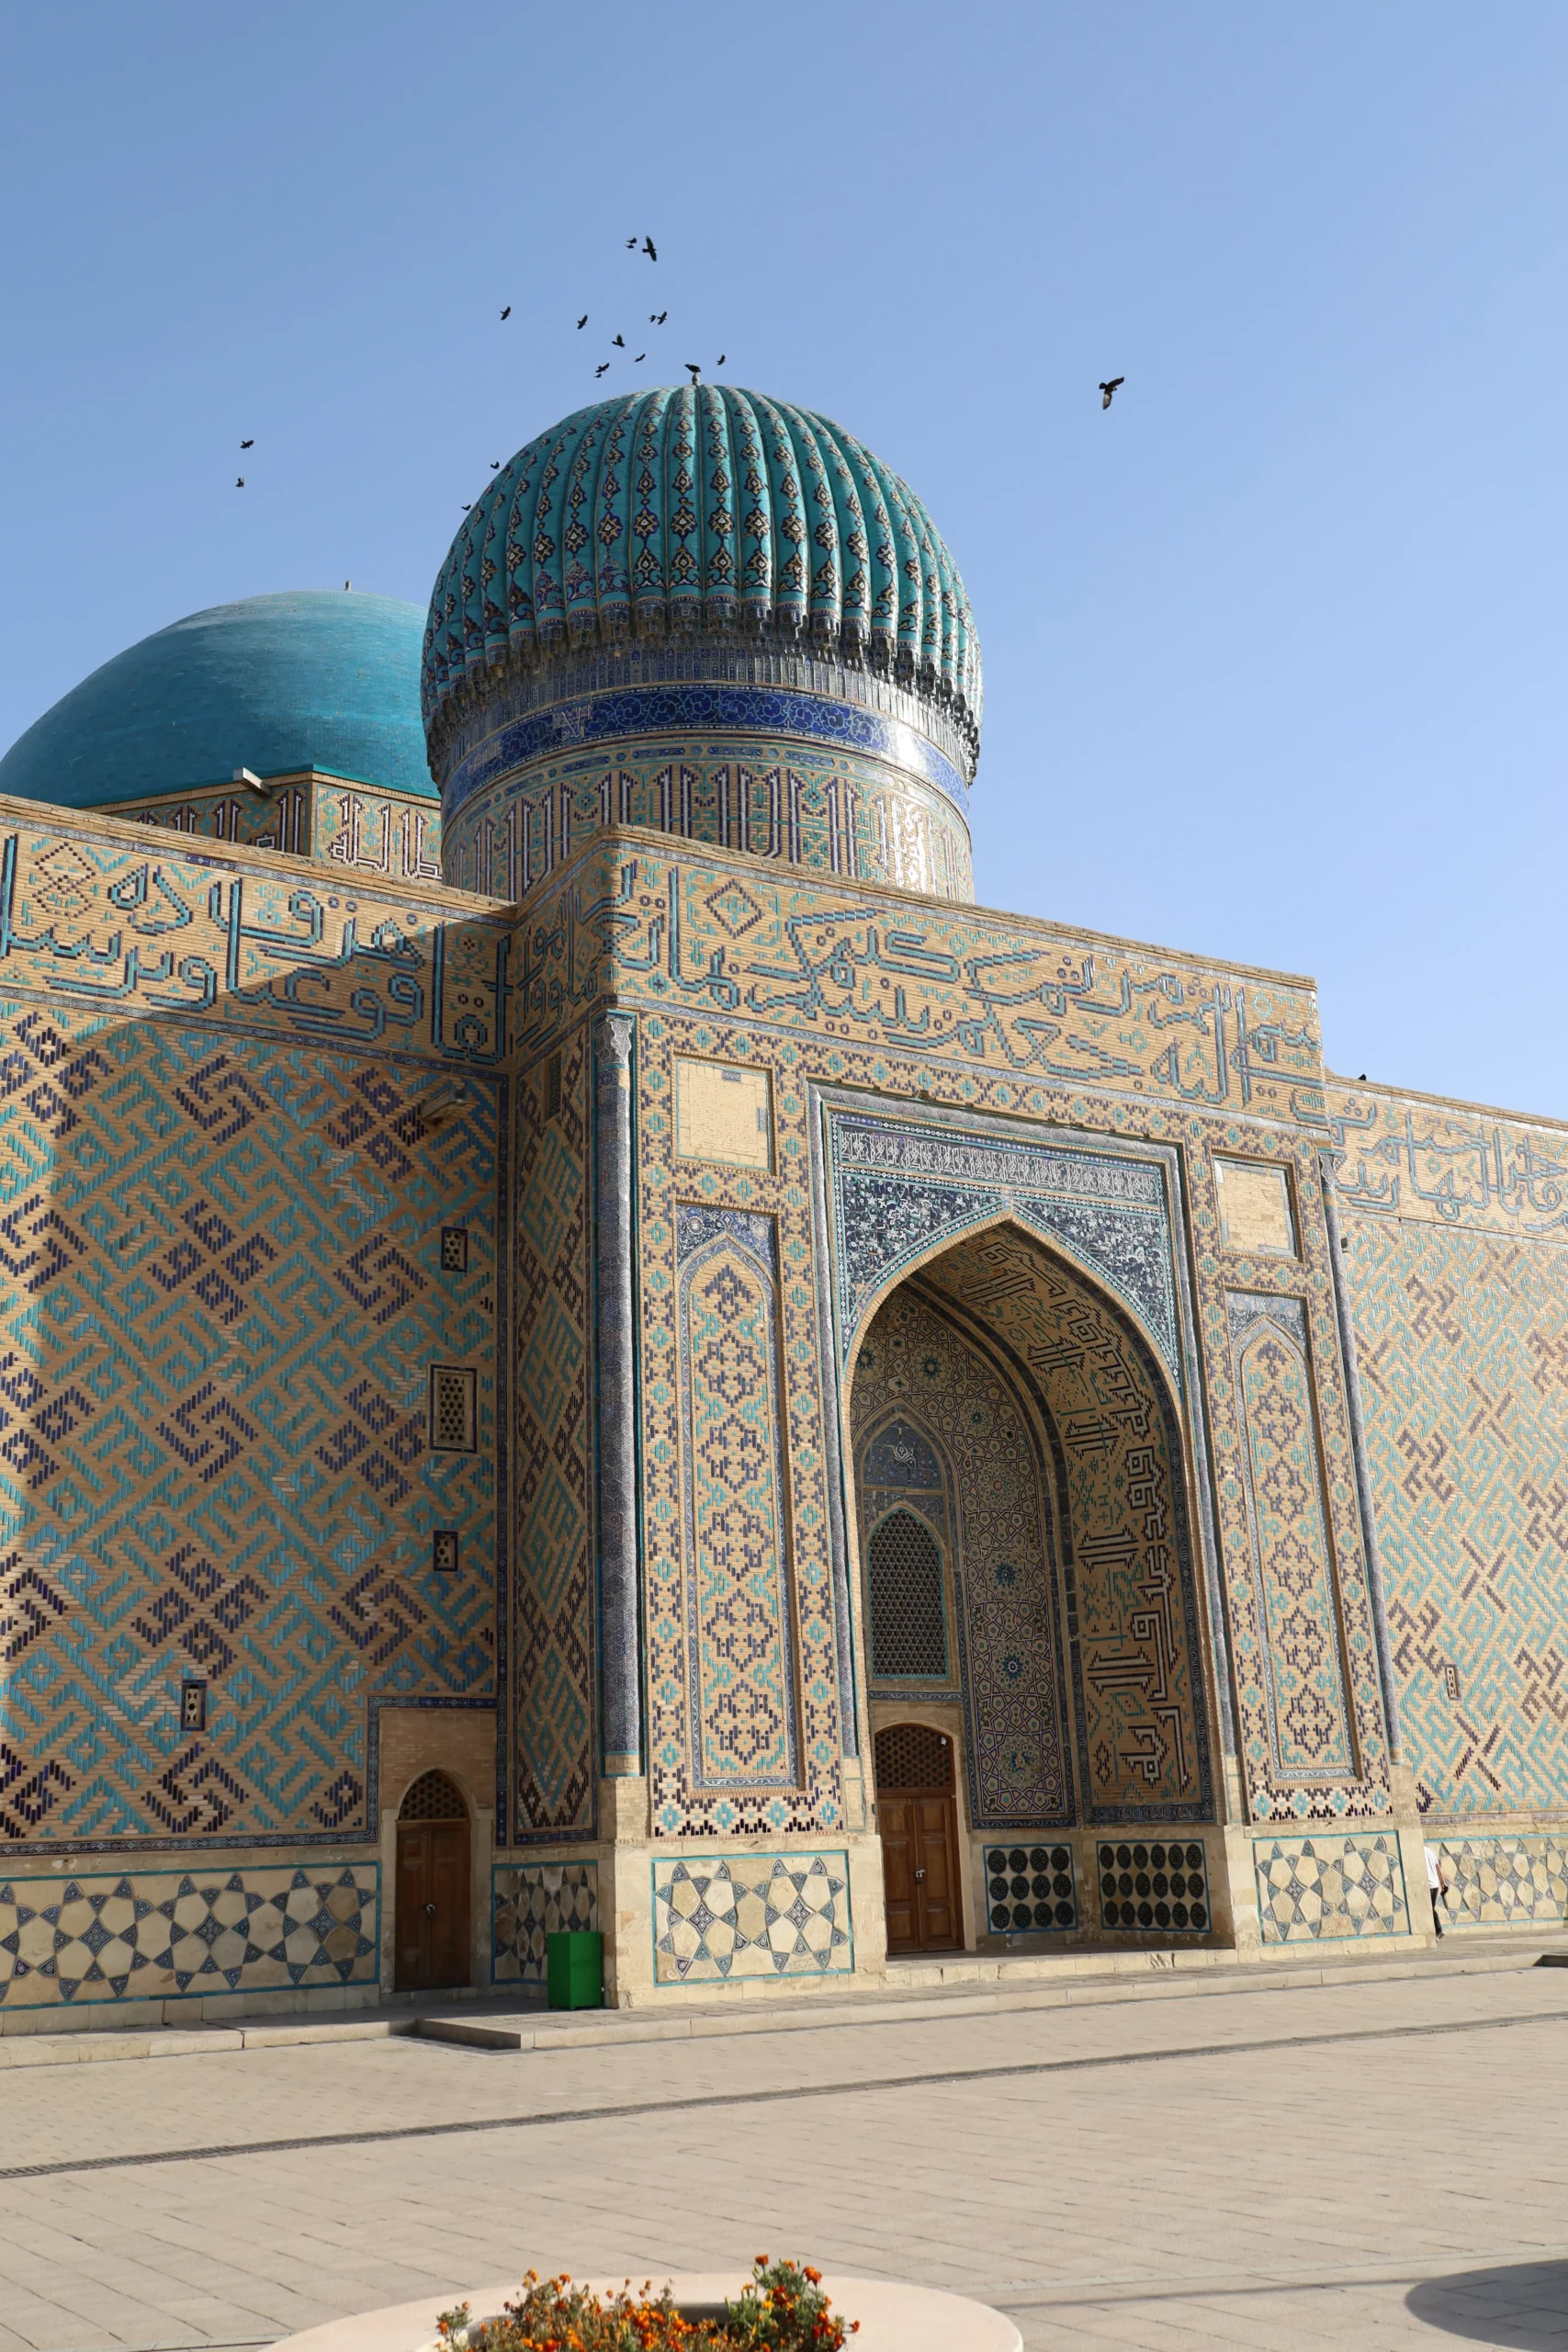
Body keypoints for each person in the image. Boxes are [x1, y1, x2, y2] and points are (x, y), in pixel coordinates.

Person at [1425, 1842, 1450, 1938]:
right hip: (1435, 1884)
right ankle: (1436, 1930)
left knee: (1430, 1908)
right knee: (1431, 1907)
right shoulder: (1430, 1851)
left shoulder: (1418, 1852)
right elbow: (1438, 1867)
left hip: (1428, 1885)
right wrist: (1442, 1883)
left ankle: (1438, 1929)